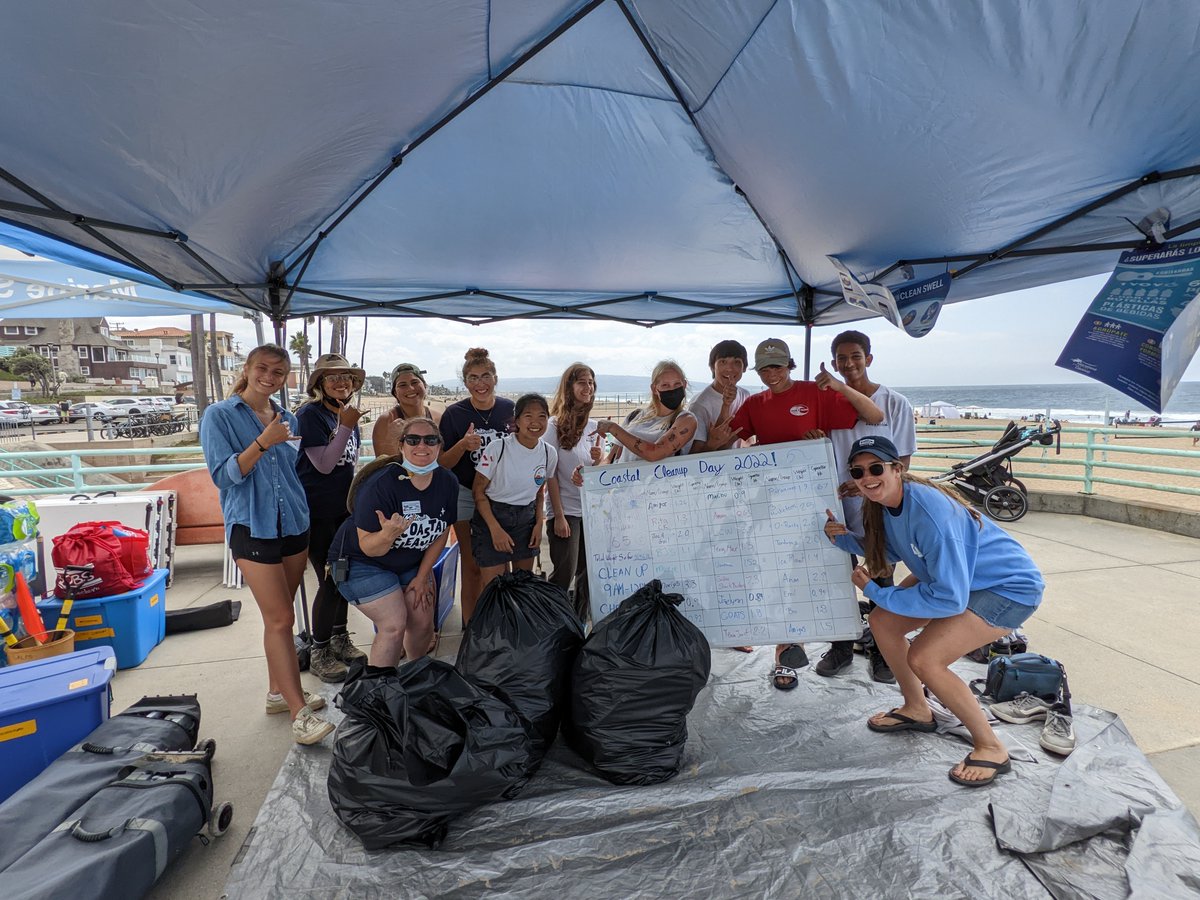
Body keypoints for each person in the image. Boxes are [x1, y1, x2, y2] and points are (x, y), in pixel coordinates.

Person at [824, 435, 1045, 787]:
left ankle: (991, 746)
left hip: (1008, 588)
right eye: (859, 471)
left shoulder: (929, 511)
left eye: (876, 468)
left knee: (926, 659)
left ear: (898, 469)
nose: (867, 477)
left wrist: (876, 592)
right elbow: (893, 550)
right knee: (882, 622)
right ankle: (917, 707)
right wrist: (842, 539)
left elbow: (949, 599)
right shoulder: (886, 503)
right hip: (961, 580)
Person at [728, 337, 884, 691]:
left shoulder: (815, 392)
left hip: (817, 500)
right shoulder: (753, 402)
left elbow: (873, 415)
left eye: (778, 366)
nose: (772, 373)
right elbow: (725, 443)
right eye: (765, 367)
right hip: (771, 503)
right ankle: (788, 652)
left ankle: (843, 644)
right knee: (780, 573)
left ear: (791, 365)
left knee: (833, 568)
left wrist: (822, 434)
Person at [200, 344, 333, 745]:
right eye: (263, 368)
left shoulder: (287, 416)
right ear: (248, 368)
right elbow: (224, 477)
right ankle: (298, 712)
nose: (270, 377)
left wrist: (276, 436)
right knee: (280, 620)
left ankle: (279, 691)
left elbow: (289, 474)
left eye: (279, 372)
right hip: (252, 527)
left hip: (293, 524)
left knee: (281, 619)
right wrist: (263, 441)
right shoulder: (219, 415)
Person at [815, 330, 916, 684]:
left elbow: (902, 462)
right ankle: (841, 646)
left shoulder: (895, 403)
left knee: (881, 577)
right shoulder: (829, 402)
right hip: (836, 505)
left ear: (868, 358)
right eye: (841, 358)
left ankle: (883, 651)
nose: (849, 364)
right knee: (838, 576)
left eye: (855, 356)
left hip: (877, 508)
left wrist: (867, 487)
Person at [330, 417, 456, 667]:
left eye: (430, 439)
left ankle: (415, 677)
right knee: (393, 624)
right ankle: (379, 692)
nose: (422, 445)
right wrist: (388, 534)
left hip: (408, 562)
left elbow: (442, 531)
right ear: (401, 445)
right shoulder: (381, 484)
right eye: (413, 439)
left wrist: (422, 577)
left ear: (439, 446)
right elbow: (368, 546)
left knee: (422, 623)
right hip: (361, 563)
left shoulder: (447, 482)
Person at [293, 352, 367, 683]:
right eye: (333, 377)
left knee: (342, 576)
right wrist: (347, 426)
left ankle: (339, 636)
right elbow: (324, 463)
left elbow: (348, 464)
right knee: (330, 579)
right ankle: (320, 649)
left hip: (342, 512)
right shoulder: (311, 415)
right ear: (319, 384)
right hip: (318, 513)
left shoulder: (343, 415)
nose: (341, 382)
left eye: (346, 377)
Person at [438, 348, 515, 625]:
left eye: (485, 376)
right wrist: (462, 445)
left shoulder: (510, 411)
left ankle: (497, 626)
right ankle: (470, 629)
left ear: (495, 378)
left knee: (499, 567)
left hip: (502, 496)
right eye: (472, 378)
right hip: (466, 496)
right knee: (471, 566)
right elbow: (443, 463)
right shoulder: (454, 414)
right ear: (465, 382)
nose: (479, 383)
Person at [472, 393, 559, 587]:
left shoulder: (548, 452)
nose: (535, 422)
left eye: (542, 416)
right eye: (528, 415)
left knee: (522, 588)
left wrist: (538, 524)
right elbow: (478, 492)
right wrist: (495, 530)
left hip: (525, 521)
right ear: (517, 420)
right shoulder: (498, 448)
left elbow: (539, 492)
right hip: (492, 517)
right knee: (496, 589)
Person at [545, 363, 603, 622]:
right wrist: (557, 515)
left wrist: (599, 459)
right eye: (581, 382)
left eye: (590, 382)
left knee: (588, 574)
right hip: (565, 511)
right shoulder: (553, 425)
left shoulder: (595, 427)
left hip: (591, 513)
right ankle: (554, 626)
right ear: (568, 387)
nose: (587, 387)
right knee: (563, 573)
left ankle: (578, 625)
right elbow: (550, 474)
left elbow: (599, 471)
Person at [597, 360, 699, 461]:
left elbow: (654, 453)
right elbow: (611, 459)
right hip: (624, 477)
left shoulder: (686, 420)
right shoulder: (635, 415)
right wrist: (588, 475)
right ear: (654, 389)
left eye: (677, 384)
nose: (672, 390)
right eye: (665, 385)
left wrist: (612, 427)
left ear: (684, 385)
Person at [689, 340, 751, 453]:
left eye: (737, 362)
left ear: (744, 367)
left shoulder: (745, 395)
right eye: (723, 362)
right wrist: (712, 444)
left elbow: (746, 438)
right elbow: (694, 454)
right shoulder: (699, 405)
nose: (730, 368)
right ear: (713, 367)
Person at [371, 362, 441, 458]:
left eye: (415, 382)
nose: (410, 388)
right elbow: (382, 465)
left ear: (424, 386)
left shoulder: (438, 418)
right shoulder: (387, 421)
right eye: (403, 385)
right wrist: (392, 440)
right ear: (395, 392)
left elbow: (443, 461)